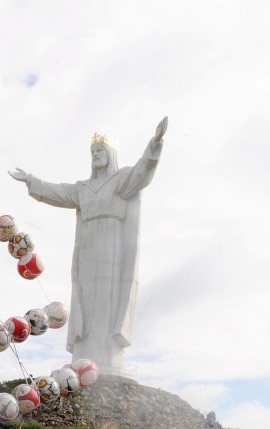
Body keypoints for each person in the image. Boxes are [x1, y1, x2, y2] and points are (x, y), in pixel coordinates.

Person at [9, 117, 168, 376]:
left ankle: (106, 358)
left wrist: (155, 143)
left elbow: (143, 171)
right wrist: (30, 180)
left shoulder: (121, 180)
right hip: (87, 249)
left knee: (107, 298)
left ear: (110, 154)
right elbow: (58, 192)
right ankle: (82, 357)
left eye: (100, 151)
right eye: (93, 152)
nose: (95, 156)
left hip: (112, 248)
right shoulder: (83, 188)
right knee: (85, 299)